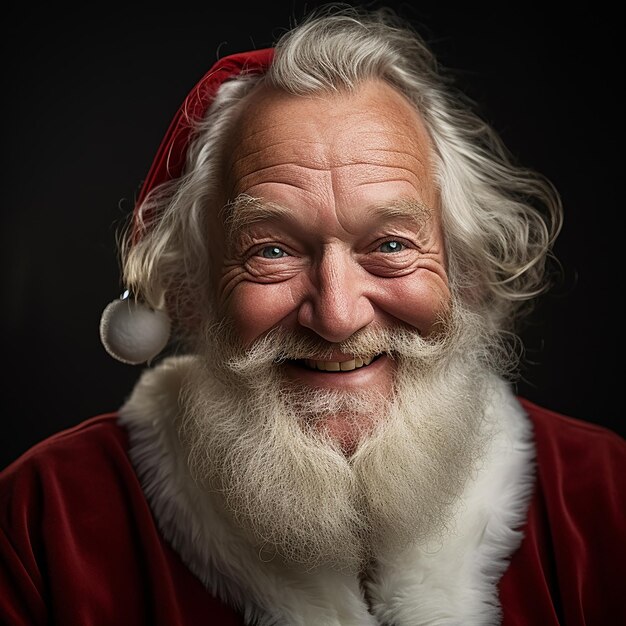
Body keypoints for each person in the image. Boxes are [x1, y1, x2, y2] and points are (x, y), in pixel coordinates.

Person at [1, 4, 624, 625]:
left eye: (391, 246)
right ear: (192, 286)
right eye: (271, 251)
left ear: (461, 266)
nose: (337, 316)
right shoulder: (41, 520)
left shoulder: (606, 496)